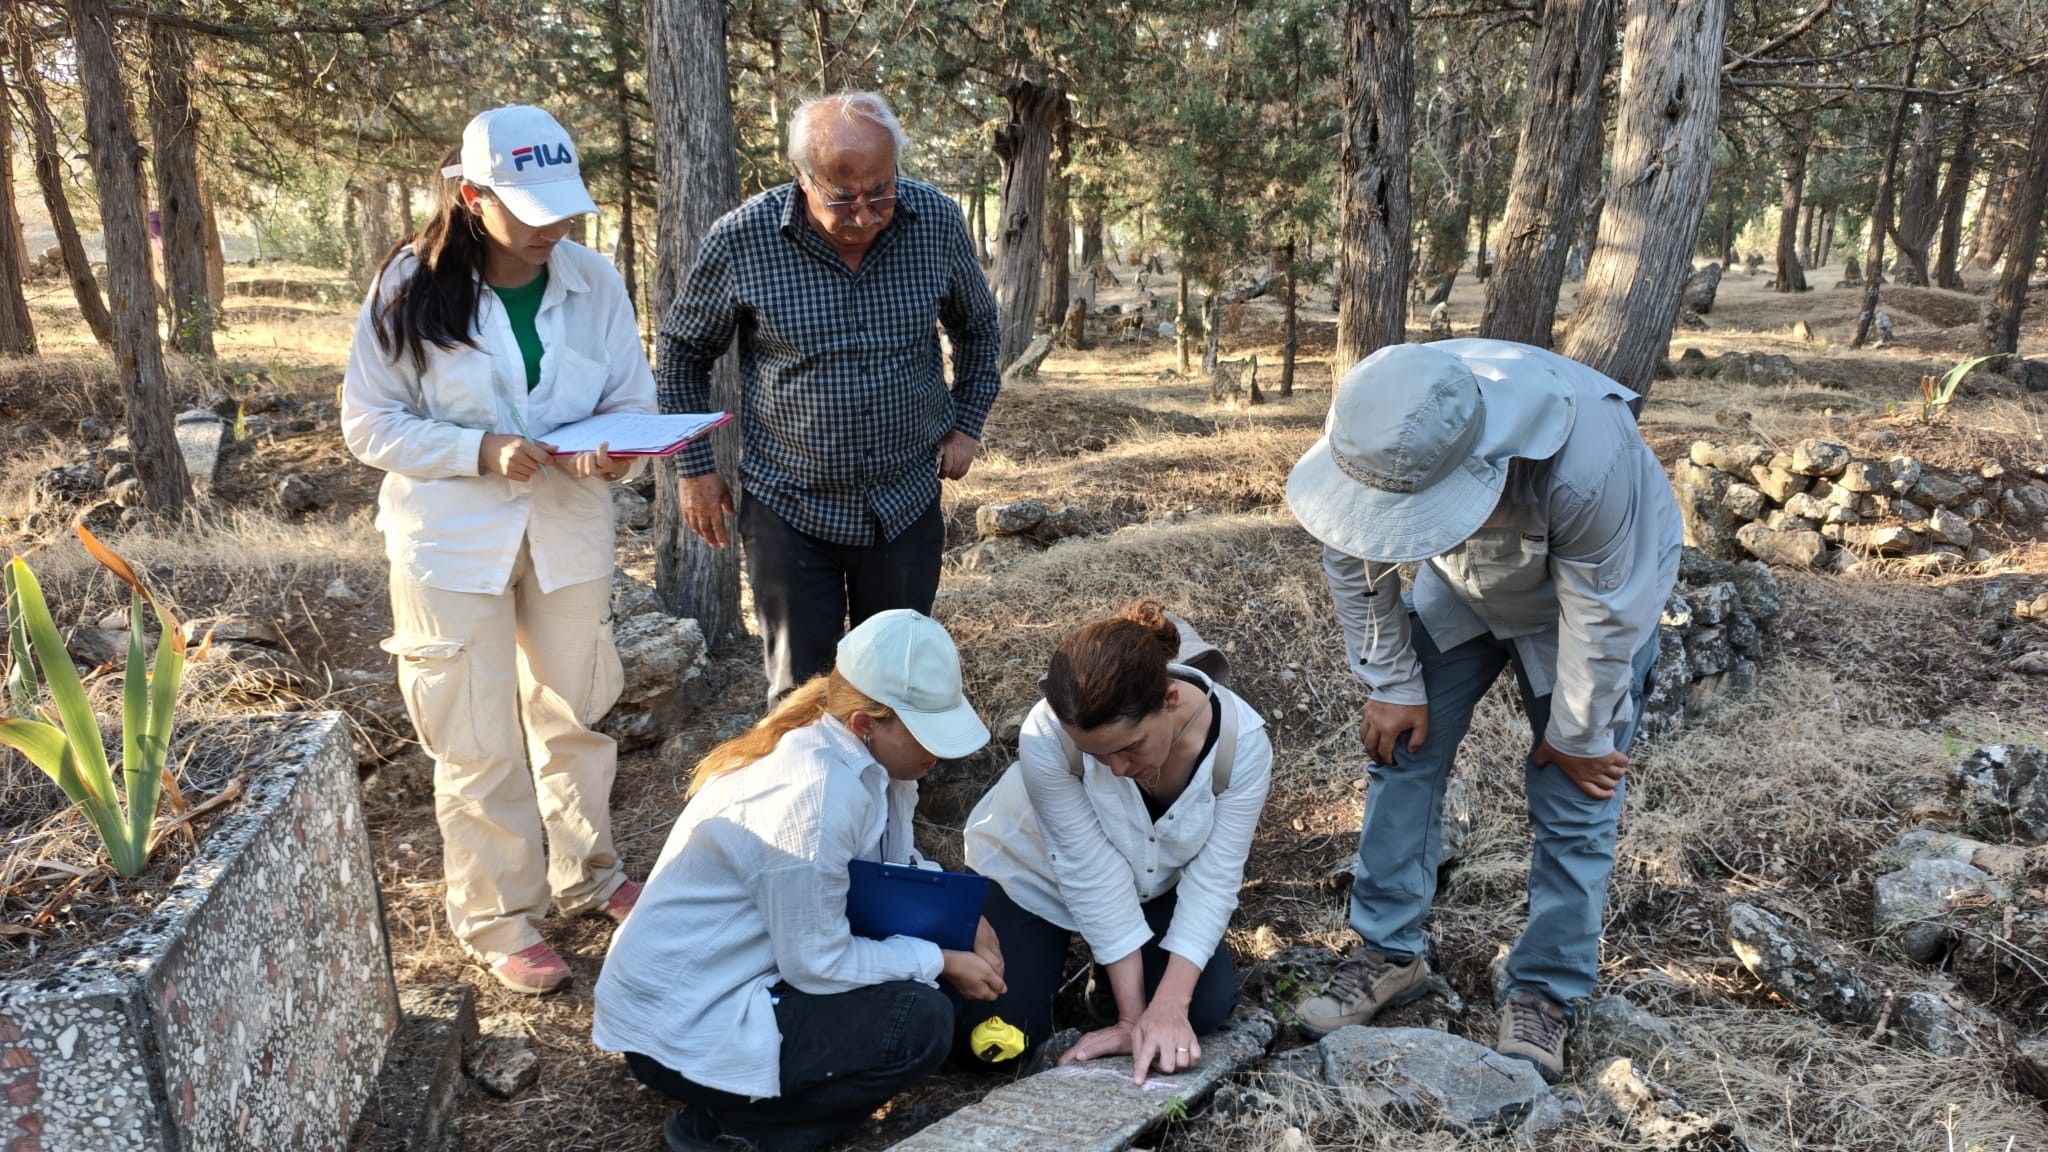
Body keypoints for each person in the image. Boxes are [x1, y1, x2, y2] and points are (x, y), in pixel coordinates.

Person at [1284, 339, 1681, 1081]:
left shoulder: (1588, 458)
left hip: (1586, 608)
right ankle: (1387, 950)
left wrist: (1578, 734)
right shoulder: (1380, 414)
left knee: (1576, 792)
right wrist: (1392, 682)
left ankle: (1545, 990)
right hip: (1463, 586)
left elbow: (1605, 616)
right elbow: (1353, 542)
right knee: (1402, 749)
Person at [341, 105, 655, 995]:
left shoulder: (593, 281)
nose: (552, 228)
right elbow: (367, 422)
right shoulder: (410, 284)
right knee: (475, 737)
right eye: (529, 211)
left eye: (564, 209)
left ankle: (588, 872)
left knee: (575, 710)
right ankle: (497, 916)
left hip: (567, 530)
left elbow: (629, 397)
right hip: (451, 544)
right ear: (473, 198)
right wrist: (475, 450)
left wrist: (619, 448)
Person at [594, 610, 1005, 1152]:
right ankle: (733, 1129)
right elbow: (817, 962)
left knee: (935, 998)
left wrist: (960, 919)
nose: (938, 752)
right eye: (926, 732)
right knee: (918, 1020)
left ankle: (775, 1106)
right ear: (865, 723)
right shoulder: (811, 799)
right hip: (685, 1024)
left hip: (748, 976)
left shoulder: (872, 762)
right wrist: (942, 959)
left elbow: (884, 867)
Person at [657, 90, 1001, 702]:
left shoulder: (937, 222)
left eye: (881, 190)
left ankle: (897, 796)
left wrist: (966, 422)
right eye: (842, 195)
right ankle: (811, 798)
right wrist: (694, 470)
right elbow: (683, 353)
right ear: (800, 175)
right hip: (789, 506)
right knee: (802, 693)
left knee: (897, 681)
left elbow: (978, 330)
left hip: (903, 499)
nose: (866, 213)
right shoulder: (742, 239)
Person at [958, 601, 1272, 1084]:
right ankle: (1097, 978)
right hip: (1032, 877)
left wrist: (1169, 1004)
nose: (1118, 769)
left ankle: (1107, 979)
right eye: (1095, 754)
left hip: (1151, 885)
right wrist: (1131, 1020)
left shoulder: (1241, 743)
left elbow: (1215, 879)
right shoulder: (1046, 735)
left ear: (1169, 700)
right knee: (994, 1041)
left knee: (1201, 1013)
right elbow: (1089, 871)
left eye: (1130, 747)